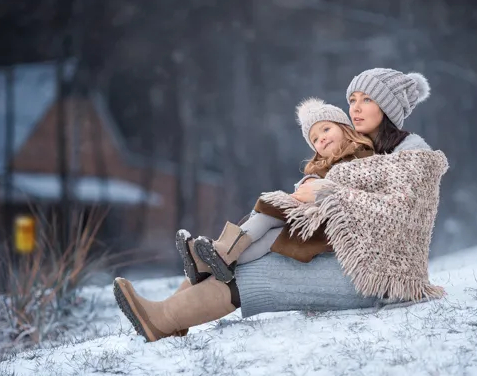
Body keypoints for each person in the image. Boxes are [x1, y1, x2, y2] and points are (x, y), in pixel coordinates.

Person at [113, 68, 449, 343]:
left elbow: (400, 215)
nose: (356, 107)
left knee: (252, 272)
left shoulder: (413, 155)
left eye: (367, 99)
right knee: (246, 248)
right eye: (352, 99)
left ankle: (164, 319)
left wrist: (327, 194)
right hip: (342, 258)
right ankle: (168, 312)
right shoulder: (356, 149)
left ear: (388, 107)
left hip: (377, 278)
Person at [175, 98, 374, 285]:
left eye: (326, 129)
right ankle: (219, 259)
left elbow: (361, 189)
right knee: (270, 227)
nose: (321, 138)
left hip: (334, 227)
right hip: (311, 220)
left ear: (345, 127)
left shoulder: (363, 155)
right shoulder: (319, 167)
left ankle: (218, 257)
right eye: (315, 139)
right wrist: (309, 182)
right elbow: (305, 190)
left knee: (271, 217)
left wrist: (320, 189)